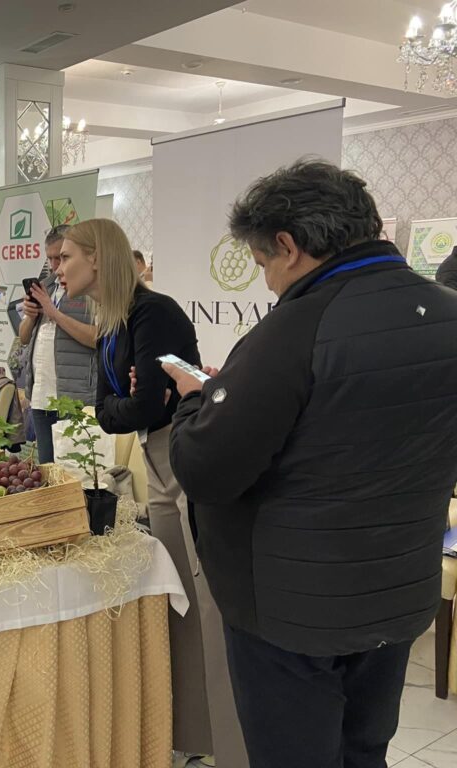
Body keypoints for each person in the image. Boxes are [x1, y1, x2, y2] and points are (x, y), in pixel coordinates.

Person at [166, 160, 457, 768]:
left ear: (289, 246)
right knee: (365, 750)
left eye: (263, 264)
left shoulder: (294, 330)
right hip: (399, 588)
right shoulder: (448, 312)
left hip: (291, 608)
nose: (269, 283)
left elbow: (206, 470)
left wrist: (196, 402)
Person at [56, 218, 247, 767]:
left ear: (97, 257)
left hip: (183, 457)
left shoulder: (153, 313)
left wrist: (134, 404)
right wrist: (133, 403)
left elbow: (141, 407)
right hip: (156, 457)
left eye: (65, 257)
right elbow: (108, 410)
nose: (58, 268)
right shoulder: (112, 321)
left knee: (206, 604)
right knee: (179, 601)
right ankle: (195, 738)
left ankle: (235, 747)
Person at [19, 224, 97, 462]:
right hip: (41, 394)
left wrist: (53, 313)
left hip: (74, 396)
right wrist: (31, 316)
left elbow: (98, 338)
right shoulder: (46, 286)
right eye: (51, 258)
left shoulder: (90, 291)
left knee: (73, 468)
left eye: (62, 257)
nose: (55, 265)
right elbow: (23, 338)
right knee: (47, 467)